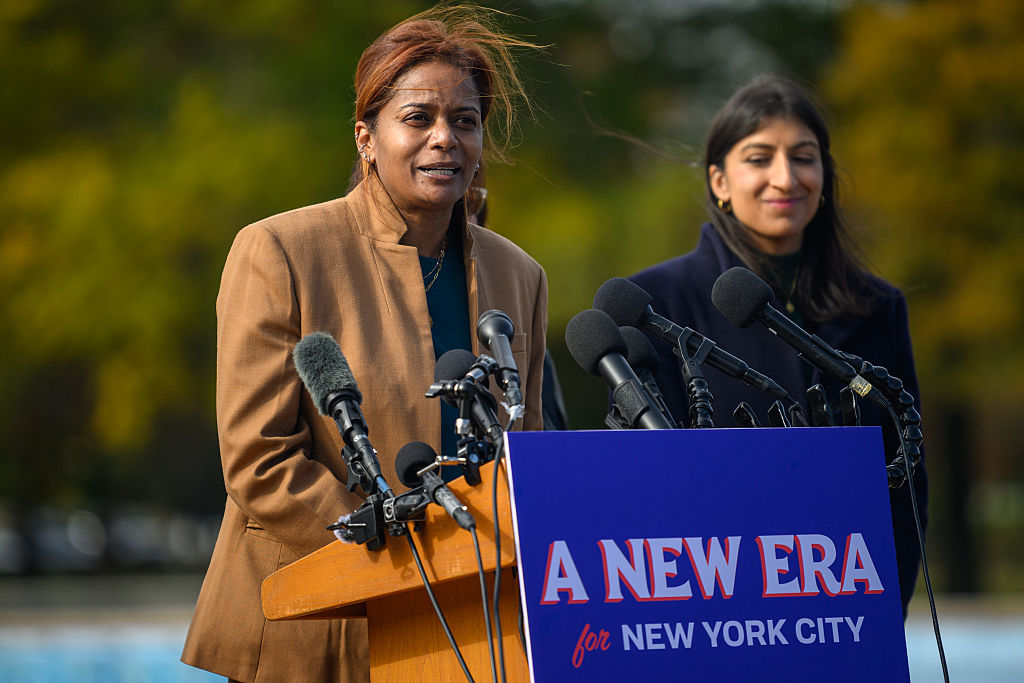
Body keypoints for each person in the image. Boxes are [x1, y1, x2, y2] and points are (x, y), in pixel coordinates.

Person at [181, 6, 548, 681]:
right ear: (366, 137)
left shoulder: (518, 274)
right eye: (418, 119)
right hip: (316, 626)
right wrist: (396, 546)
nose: (445, 139)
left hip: (474, 631)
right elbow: (259, 458)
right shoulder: (279, 252)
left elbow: (524, 458)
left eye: (464, 122)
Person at [627, 75, 926, 616]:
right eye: (760, 159)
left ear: (825, 175)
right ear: (719, 180)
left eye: (804, 158)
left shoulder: (877, 306)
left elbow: (906, 486)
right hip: (714, 612)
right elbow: (644, 490)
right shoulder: (654, 303)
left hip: (846, 609)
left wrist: (882, 612)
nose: (785, 178)